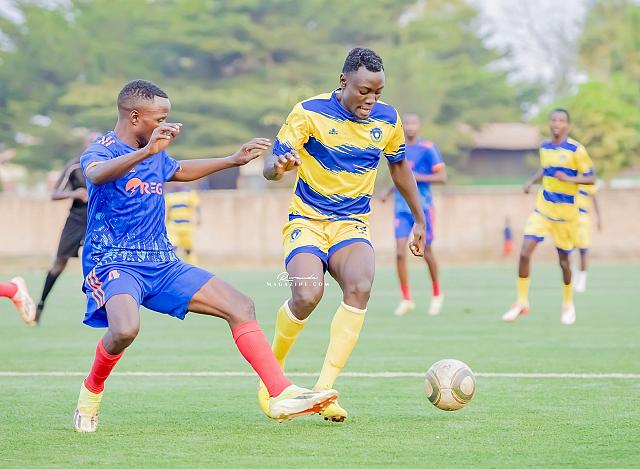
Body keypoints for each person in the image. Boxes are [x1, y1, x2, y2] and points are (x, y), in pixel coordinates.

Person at [73, 79, 337, 433]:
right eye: (159, 118)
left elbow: (179, 170)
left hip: (161, 262)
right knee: (124, 330)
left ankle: (280, 394)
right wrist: (147, 152)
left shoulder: (153, 149)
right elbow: (95, 175)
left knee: (240, 305)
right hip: (113, 262)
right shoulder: (103, 149)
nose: (166, 124)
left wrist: (233, 160)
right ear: (135, 117)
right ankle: (90, 394)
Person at [261, 48, 426, 422]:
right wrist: (280, 167)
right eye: (364, 91)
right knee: (307, 294)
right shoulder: (309, 112)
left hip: (351, 224)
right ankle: (271, 378)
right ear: (343, 81)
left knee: (360, 287)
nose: (371, 100)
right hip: (307, 221)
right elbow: (270, 166)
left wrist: (420, 219)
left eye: (378, 93)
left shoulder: (388, 119)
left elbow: (400, 167)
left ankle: (323, 392)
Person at [502, 109, 595, 325]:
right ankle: (521, 302)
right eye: (553, 120)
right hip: (543, 210)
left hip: (566, 216)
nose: (556, 124)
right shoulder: (545, 146)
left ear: (567, 125)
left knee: (564, 262)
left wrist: (570, 180)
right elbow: (545, 169)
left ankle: (568, 304)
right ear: (549, 123)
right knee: (525, 252)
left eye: (561, 121)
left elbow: (591, 178)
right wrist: (531, 182)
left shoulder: (576, 150)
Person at [381, 113, 447, 317]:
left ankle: (437, 294)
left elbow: (442, 177)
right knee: (400, 253)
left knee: (426, 252)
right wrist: (388, 191)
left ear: (419, 126)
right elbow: (398, 175)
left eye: (413, 123)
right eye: (406, 124)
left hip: (423, 208)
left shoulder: (427, 148)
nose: (410, 127)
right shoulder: (398, 148)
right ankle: (406, 299)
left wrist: (416, 177)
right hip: (401, 208)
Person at [36, 132, 100, 323]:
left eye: (98, 141)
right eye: (91, 142)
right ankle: (41, 304)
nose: (95, 145)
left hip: (99, 219)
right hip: (76, 219)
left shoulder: (108, 164)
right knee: (60, 262)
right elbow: (55, 193)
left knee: (100, 262)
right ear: (85, 144)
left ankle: (99, 309)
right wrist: (75, 193)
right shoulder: (74, 165)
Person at [574, 185, 601, 292]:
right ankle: (573, 275)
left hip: (582, 217)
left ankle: (582, 280)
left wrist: (599, 219)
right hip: (568, 217)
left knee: (583, 250)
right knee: (567, 249)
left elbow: (595, 199)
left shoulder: (587, 180)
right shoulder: (568, 177)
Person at [165, 182, 201, 265]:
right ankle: (171, 265)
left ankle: (192, 267)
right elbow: (167, 210)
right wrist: (166, 221)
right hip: (173, 225)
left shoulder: (190, 193)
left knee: (188, 249)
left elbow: (197, 206)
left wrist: (199, 218)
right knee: (173, 246)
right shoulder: (169, 194)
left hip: (186, 225)